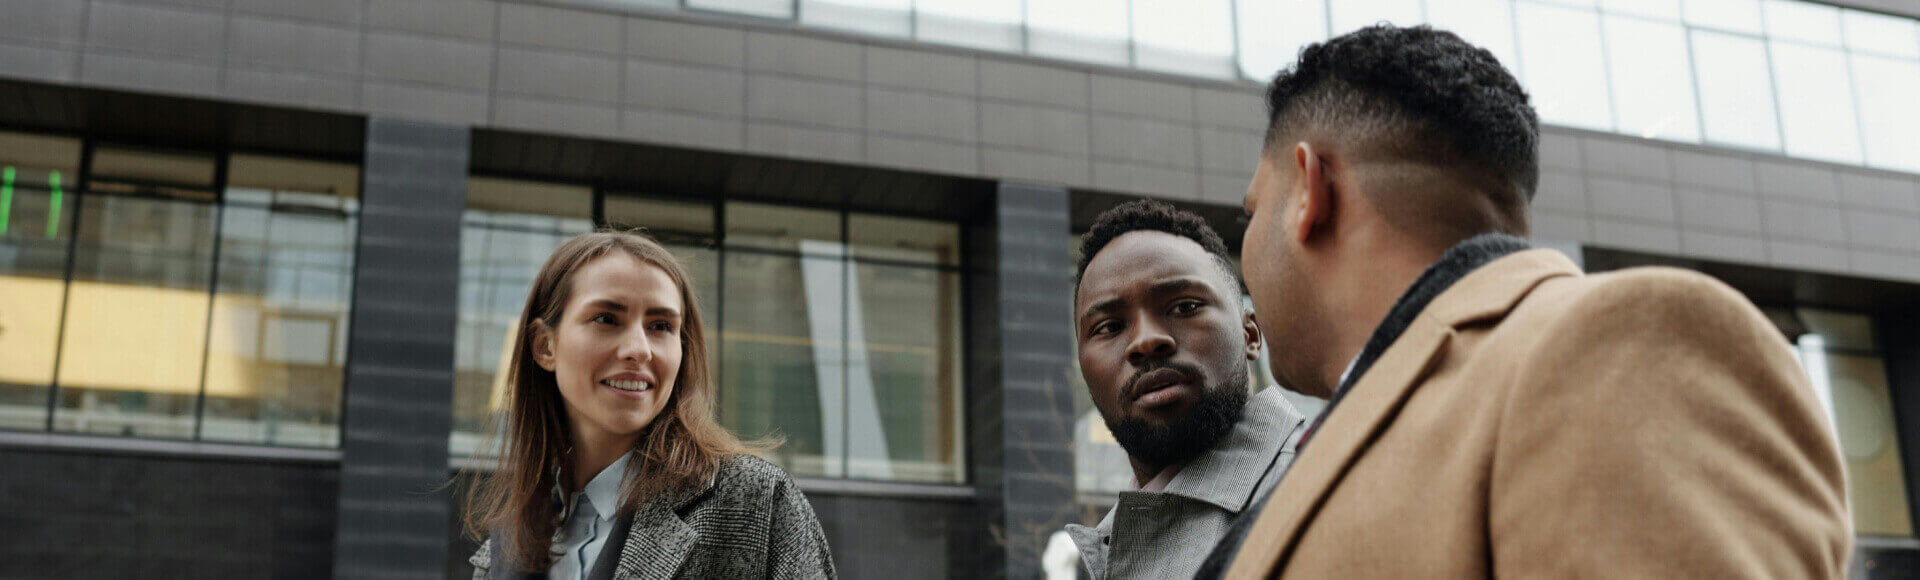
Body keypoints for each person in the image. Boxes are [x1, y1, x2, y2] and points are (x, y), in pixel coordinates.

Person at [1200, 24, 1851, 578]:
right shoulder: (1378, 416)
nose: (1246, 246)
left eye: (1253, 209)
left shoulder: (1619, 346)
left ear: (1311, 190)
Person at [464, 230, 835, 580]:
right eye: (607, 319)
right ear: (546, 346)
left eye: (661, 326)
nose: (639, 349)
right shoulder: (502, 549)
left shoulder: (755, 504)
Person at [1066, 200, 1309, 579]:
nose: (1146, 341)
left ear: (1250, 334)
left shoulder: (1328, 488)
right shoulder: (1108, 546)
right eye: (1109, 328)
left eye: (1184, 307)